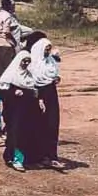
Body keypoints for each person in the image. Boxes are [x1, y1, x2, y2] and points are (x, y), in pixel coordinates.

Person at [0, 46, 39, 172]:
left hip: (27, 111)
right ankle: (15, 159)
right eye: (24, 61)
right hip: (13, 112)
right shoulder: (11, 75)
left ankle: (20, 158)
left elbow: (34, 92)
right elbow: (1, 92)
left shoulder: (30, 76)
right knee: (15, 134)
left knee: (26, 134)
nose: (26, 63)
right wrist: (14, 92)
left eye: (28, 61)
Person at [29, 33, 63, 167]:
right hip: (37, 94)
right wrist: (38, 99)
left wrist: (56, 78)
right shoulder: (32, 63)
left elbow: (53, 73)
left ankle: (51, 156)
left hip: (51, 94)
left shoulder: (51, 61)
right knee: (38, 125)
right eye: (45, 49)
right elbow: (30, 81)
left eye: (49, 49)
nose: (48, 51)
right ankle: (37, 156)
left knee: (52, 123)